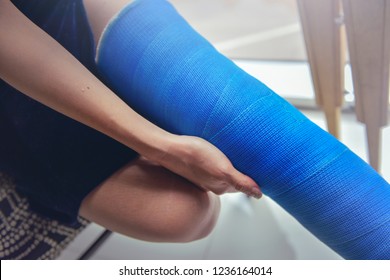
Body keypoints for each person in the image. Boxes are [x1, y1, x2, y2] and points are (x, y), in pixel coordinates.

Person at [0, 0, 262, 253]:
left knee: (239, 123)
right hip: (19, 84)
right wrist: (165, 148)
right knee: (183, 214)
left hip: (72, 12)